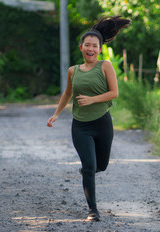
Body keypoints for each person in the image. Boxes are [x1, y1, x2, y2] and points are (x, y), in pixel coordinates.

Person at [47, 16, 131, 221]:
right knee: (89, 167)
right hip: (80, 126)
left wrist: (92, 100)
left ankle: (89, 169)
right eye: (87, 45)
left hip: (102, 123)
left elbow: (114, 93)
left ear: (100, 49)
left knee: (101, 165)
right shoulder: (73, 71)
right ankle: (93, 210)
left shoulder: (105, 66)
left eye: (94, 45)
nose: (90, 48)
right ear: (81, 47)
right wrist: (56, 114)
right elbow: (67, 94)